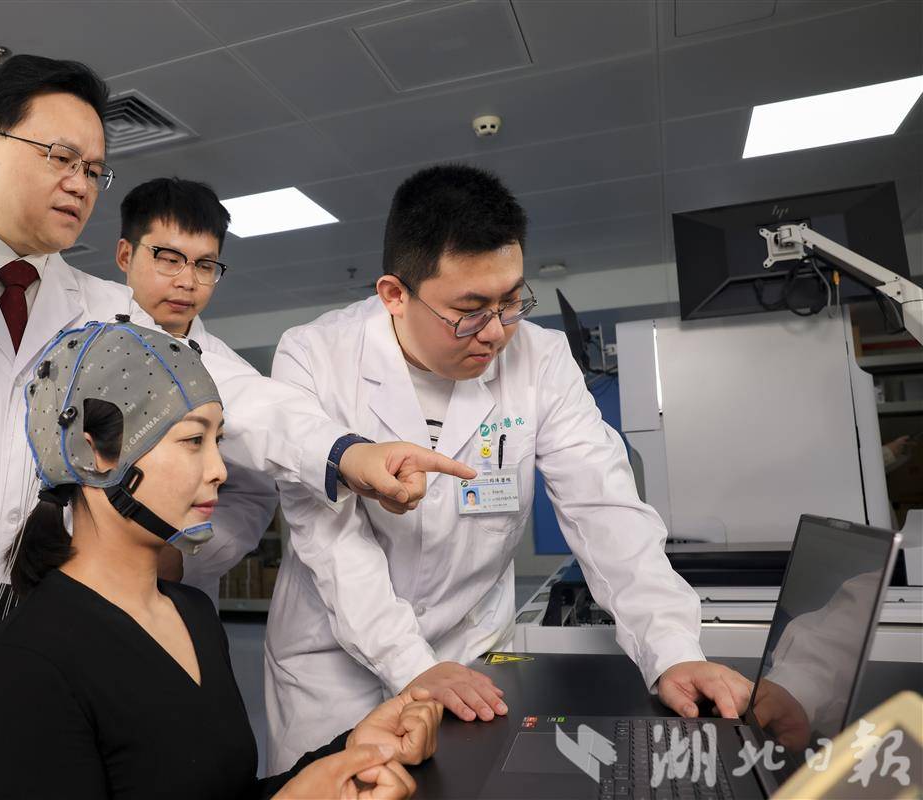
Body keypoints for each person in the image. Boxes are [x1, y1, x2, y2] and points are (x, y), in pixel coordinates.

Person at [0, 54, 469, 779]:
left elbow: (233, 393)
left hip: (36, 650)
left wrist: (346, 453)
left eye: (95, 169)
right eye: (61, 157)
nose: (81, 183)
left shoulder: (109, 309)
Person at [263, 164, 753, 771]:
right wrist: (410, 665)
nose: (496, 332)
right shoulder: (314, 356)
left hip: (469, 649)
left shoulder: (541, 358)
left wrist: (672, 650)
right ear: (394, 294)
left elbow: (605, 508)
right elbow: (330, 538)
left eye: (512, 300)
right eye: (469, 309)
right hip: (334, 664)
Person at [0, 320, 443, 799]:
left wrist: (352, 749)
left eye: (219, 442)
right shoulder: (28, 663)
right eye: (193, 441)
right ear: (95, 455)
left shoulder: (192, 613)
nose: (218, 471)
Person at [115, 177, 278, 604]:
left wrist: (183, 559)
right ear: (125, 255)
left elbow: (252, 494)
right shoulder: (77, 345)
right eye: (169, 259)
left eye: (205, 265)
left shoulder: (232, 374)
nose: (188, 281)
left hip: (173, 593)